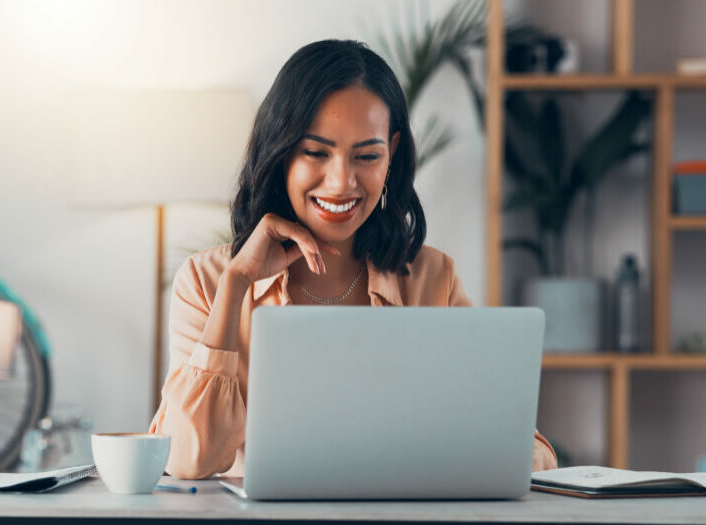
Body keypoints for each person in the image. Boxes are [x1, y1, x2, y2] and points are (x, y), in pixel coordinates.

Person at [149, 39, 557, 479]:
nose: (342, 182)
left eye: (366, 156)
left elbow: (529, 452)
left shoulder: (431, 278)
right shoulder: (207, 281)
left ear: (392, 153)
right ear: (281, 150)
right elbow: (190, 460)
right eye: (316, 152)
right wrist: (236, 285)